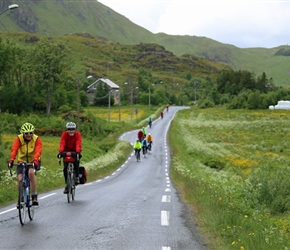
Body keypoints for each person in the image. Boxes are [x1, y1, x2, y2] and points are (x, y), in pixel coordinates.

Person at [8, 122, 42, 206]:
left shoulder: (37, 139)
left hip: (34, 160)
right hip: (21, 161)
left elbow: (38, 151)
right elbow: (14, 150)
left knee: (31, 173)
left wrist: (35, 161)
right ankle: (20, 198)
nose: (29, 135)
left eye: (31, 133)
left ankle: (34, 195)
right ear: (22, 133)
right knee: (20, 179)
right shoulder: (19, 138)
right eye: (26, 133)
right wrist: (11, 160)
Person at [58, 122, 82, 194]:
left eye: (72, 129)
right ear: (67, 130)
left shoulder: (78, 134)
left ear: (75, 130)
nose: (71, 131)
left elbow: (78, 143)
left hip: (75, 151)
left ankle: (77, 177)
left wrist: (78, 151)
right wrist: (61, 152)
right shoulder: (64, 134)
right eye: (69, 129)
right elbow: (62, 143)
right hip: (66, 151)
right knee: (65, 168)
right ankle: (67, 184)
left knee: (76, 163)